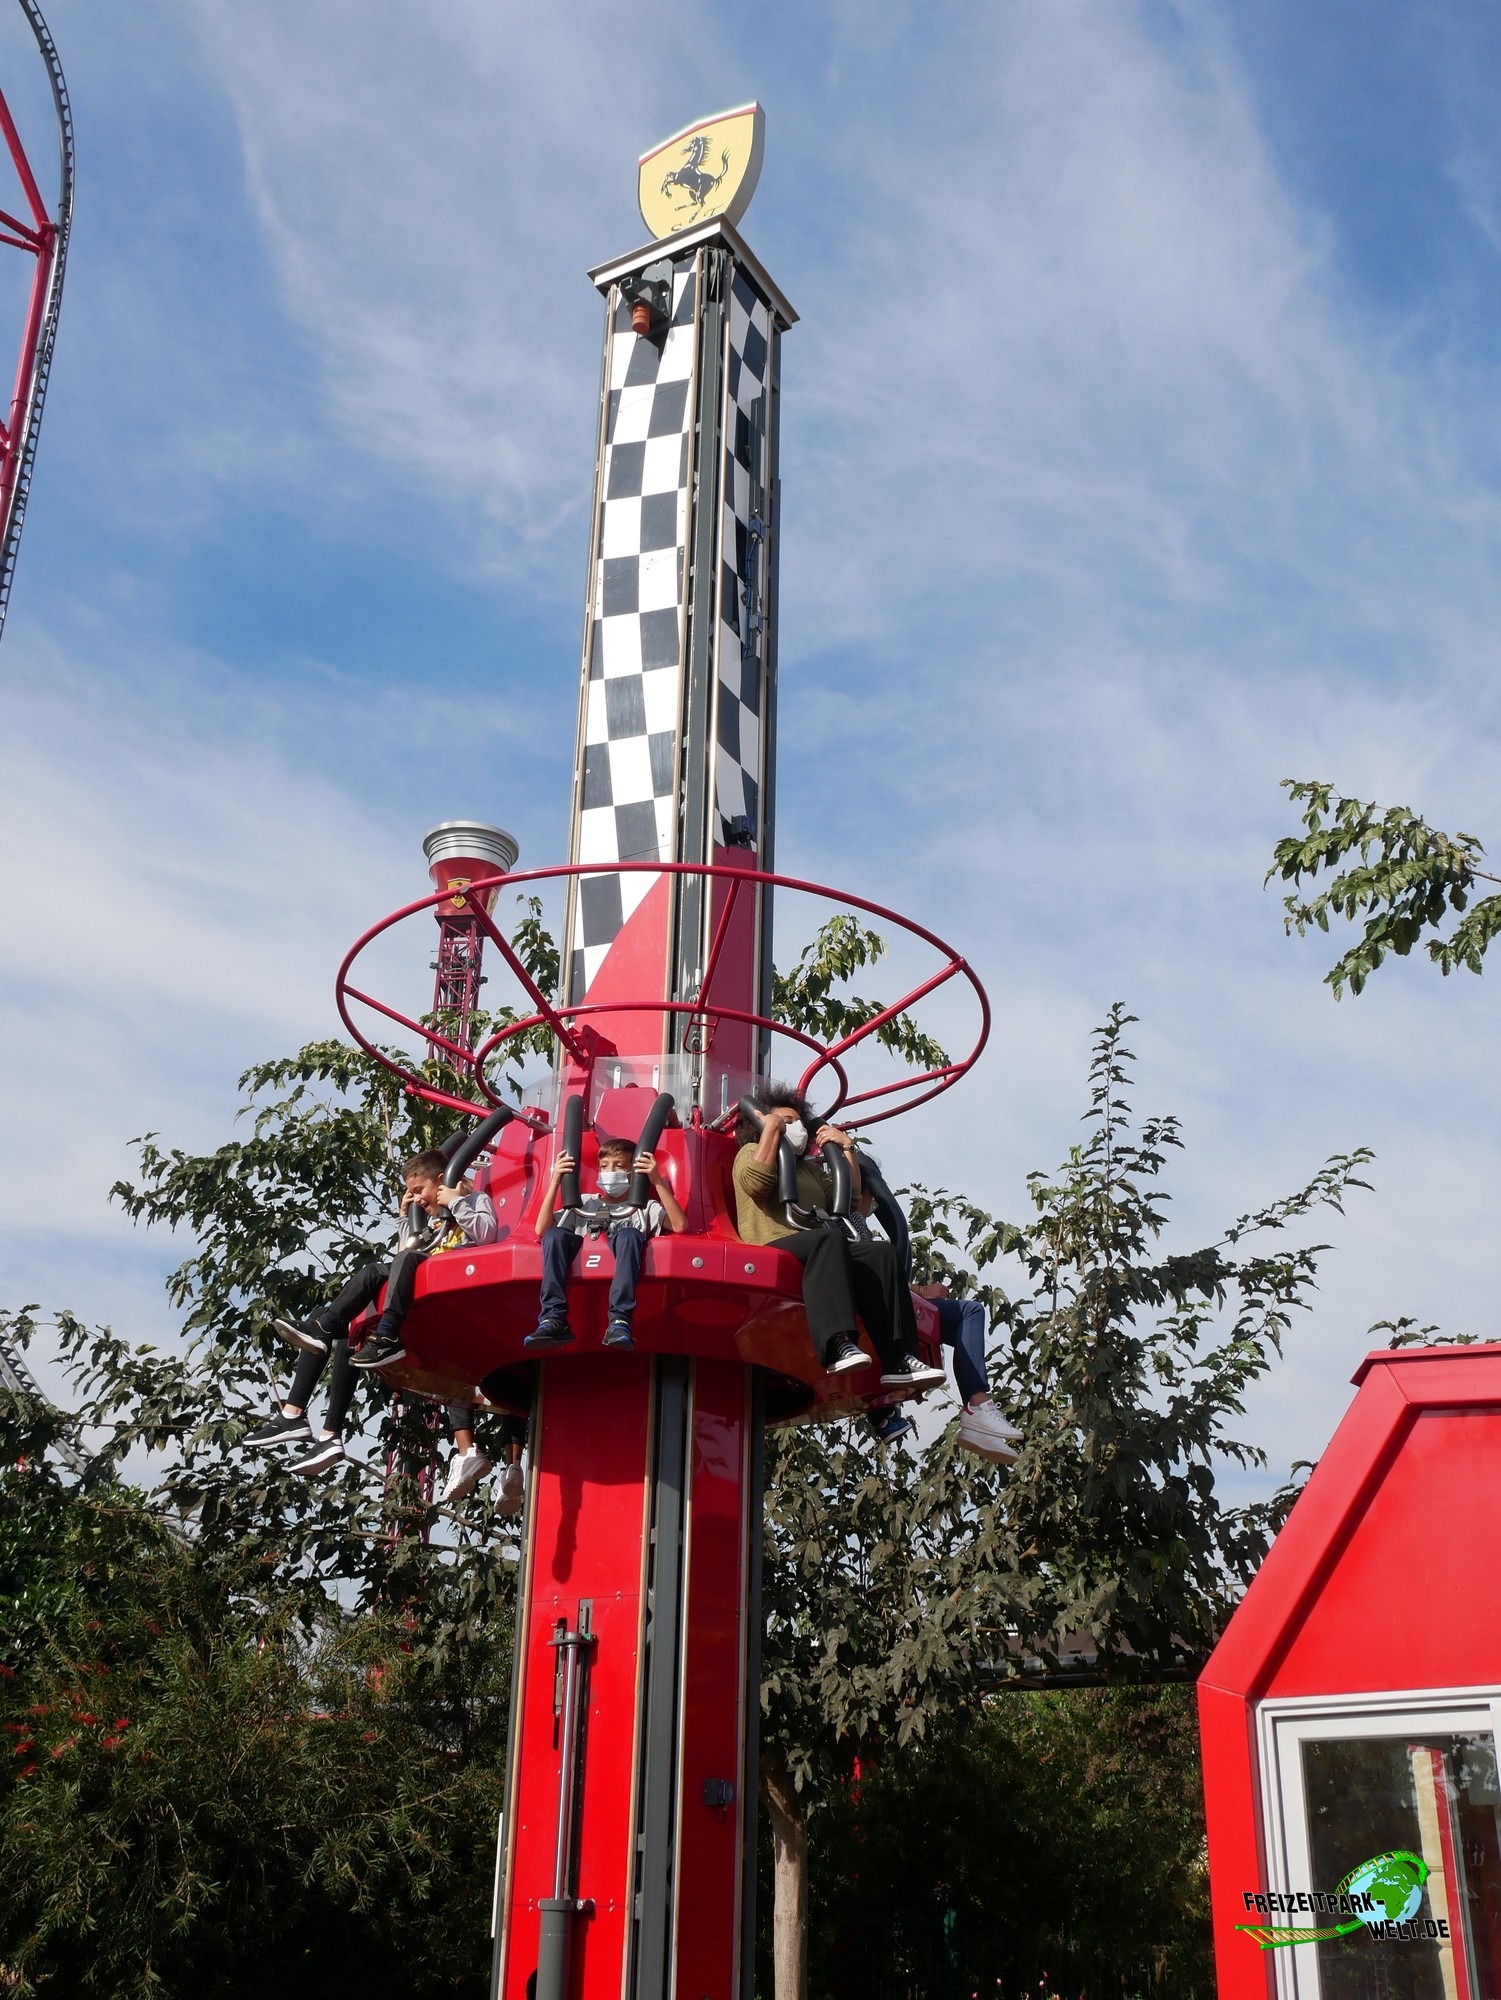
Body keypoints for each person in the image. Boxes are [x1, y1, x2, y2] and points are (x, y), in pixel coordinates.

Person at [242, 1147, 497, 1477]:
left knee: (375, 1271)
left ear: (440, 1181)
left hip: (453, 1294)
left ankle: (365, 1331)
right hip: (421, 1296)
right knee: (345, 1322)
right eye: (411, 1193)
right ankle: (308, 1422)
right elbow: (411, 1252)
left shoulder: (472, 1203)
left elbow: (487, 1234)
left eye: (419, 1190)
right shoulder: (434, 1222)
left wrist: (457, 1201)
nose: (416, 1197)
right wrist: (406, 1219)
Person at [731, 1086, 942, 1389]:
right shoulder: (750, 1152)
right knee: (829, 1241)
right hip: (770, 1244)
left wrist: (847, 1150)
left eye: (798, 1122)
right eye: (786, 1120)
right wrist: (771, 1133)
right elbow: (756, 1184)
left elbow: (848, 1201)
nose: (797, 1128)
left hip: (813, 1247)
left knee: (879, 1254)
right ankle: (836, 1344)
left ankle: (898, 1358)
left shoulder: (808, 1170)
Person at [526, 1135, 687, 1350]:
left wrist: (656, 1180)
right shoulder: (584, 1203)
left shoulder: (643, 1207)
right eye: (604, 1167)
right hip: (582, 1253)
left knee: (630, 1235)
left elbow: (679, 1225)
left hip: (622, 1249)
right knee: (555, 1236)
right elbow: (541, 1230)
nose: (610, 1172)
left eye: (619, 1166)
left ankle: (620, 1319)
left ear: (633, 1171)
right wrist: (556, 1180)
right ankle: (553, 1317)